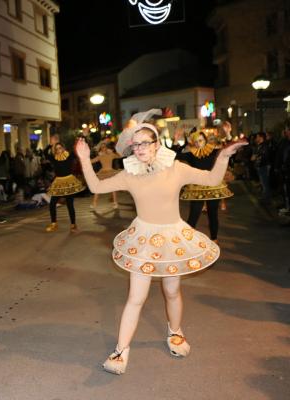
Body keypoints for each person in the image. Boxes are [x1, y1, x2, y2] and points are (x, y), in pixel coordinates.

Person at [75, 109, 246, 375]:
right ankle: (121, 350)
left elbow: (212, 179)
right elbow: (96, 187)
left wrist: (223, 156)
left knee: (172, 291)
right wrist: (85, 159)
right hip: (143, 238)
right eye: (136, 143)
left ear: (157, 144)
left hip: (172, 237)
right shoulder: (130, 174)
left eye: (145, 142)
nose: (140, 148)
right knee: (136, 297)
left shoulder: (175, 168)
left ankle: (175, 332)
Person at [178, 131, 233, 242]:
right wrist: (179, 142)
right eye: (196, 141)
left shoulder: (214, 152)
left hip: (212, 186)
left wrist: (227, 134)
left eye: (200, 140)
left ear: (205, 140)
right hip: (197, 188)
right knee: (193, 215)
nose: (198, 143)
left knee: (212, 215)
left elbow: (229, 149)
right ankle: (188, 241)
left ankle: (214, 239)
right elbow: (174, 154)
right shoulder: (191, 155)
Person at [44, 140, 85, 232]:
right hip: (58, 182)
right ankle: (54, 223)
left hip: (69, 181)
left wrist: (82, 138)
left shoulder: (69, 156)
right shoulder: (54, 158)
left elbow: (76, 150)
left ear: (63, 148)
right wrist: (50, 145)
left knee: (70, 204)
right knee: (52, 204)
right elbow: (45, 153)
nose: (58, 150)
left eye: (60, 148)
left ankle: (73, 224)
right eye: (57, 148)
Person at [90, 141, 121, 209]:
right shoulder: (100, 156)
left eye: (105, 147)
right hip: (103, 173)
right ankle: (94, 203)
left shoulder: (111, 154)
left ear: (107, 148)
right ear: (100, 149)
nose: (104, 148)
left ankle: (115, 203)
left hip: (111, 172)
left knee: (113, 188)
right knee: (98, 188)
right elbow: (91, 161)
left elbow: (119, 156)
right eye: (102, 147)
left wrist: (114, 151)